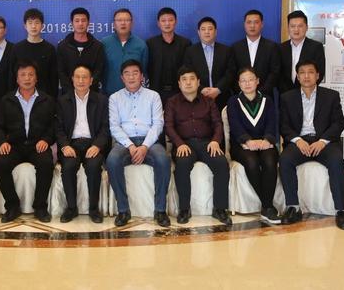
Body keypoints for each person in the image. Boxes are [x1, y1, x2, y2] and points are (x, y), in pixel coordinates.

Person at [279, 60, 344, 230]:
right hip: (300, 141)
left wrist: (322, 141)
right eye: (302, 72)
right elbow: (283, 125)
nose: (306, 76)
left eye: (310, 72)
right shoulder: (287, 97)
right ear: (297, 77)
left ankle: (341, 210)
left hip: (324, 142)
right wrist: (297, 140)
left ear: (318, 75)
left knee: (337, 162)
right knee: (285, 160)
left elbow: (338, 123)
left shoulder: (331, 96)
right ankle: (293, 207)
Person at [106, 59, 170, 227]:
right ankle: (123, 210)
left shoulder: (153, 96)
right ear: (122, 78)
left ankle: (160, 210)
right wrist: (131, 146)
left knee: (163, 159)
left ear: (142, 76)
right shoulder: (114, 98)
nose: (131, 77)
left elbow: (158, 124)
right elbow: (114, 127)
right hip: (124, 143)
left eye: (135, 73)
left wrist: (144, 146)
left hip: (149, 141)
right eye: (127, 74)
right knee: (112, 161)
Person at [164, 66, 232, 225]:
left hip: (207, 143)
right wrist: (179, 144)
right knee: (182, 164)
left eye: (192, 79)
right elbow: (168, 126)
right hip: (184, 144)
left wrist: (215, 141)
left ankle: (220, 209)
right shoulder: (172, 102)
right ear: (179, 83)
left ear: (198, 82)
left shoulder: (208, 101)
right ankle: (184, 209)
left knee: (221, 163)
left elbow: (217, 123)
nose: (188, 83)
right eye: (184, 79)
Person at [0, 60, 56, 223]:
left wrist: (46, 140)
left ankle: (40, 207)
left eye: (30, 75)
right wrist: (2, 142)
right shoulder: (6, 100)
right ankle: (12, 206)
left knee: (46, 163)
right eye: (23, 75)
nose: (27, 78)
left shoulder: (47, 100)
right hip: (14, 145)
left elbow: (53, 126)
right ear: (17, 79)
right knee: (0, 164)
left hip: (37, 145)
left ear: (36, 78)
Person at [226, 67, 280, 224]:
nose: (247, 83)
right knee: (252, 162)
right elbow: (235, 126)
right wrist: (248, 141)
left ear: (257, 81)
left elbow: (272, 123)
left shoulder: (267, 101)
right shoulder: (233, 101)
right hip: (241, 145)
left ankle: (266, 207)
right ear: (239, 84)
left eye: (250, 80)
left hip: (264, 143)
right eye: (243, 81)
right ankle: (268, 206)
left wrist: (267, 140)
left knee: (270, 160)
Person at [56, 65, 109, 223]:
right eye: (77, 77)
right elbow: (58, 128)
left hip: (93, 143)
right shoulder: (62, 100)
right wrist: (65, 145)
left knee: (94, 166)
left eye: (85, 77)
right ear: (72, 79)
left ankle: (93, 209)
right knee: (68, 166)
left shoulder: (101, 100)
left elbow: (106, 127)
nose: (81, 80)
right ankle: (71, 208)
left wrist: (97, 145)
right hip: (71, 144)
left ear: (91, 80)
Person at [183, 16, 233, 111]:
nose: (207, 32)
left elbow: (230, 73)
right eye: (203, 29)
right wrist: (201, 89)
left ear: (215, 32)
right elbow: (188, 73)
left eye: (210, 29)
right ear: (198, 32)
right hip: (198, 96)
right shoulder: (190, 51)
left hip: (222, 97)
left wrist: (218, 89)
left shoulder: (226, 50)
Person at [146, 7, 192, 107]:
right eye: (163, 21)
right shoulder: (150, 43)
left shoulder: (185, 43)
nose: (167, 23)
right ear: (158, 23)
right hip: (156, 92)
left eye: (170, 20)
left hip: (179, 91)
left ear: (176, 22)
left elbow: (188, 68)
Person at [230, 10, 280, 98]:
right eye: (249, 22)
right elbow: (232, 72)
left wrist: (261, 92)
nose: (252, 26)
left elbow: (275, 72)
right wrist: (242, 91)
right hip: (241, 96)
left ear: (262, 24)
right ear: (244, 25)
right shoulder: (235, 47)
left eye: (256, 22)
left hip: (265, 96)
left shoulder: (272, 47)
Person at [9, 8, 58, 97]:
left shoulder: (49, 49)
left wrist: (52, 99)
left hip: (44, 97)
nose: (33, 26)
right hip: (21, 96)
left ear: (42, 26)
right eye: (30, 23)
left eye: (37, 23)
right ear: (25, 26)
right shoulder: (17, 48)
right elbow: (12, 76)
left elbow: (53, 77)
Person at [57, 7, 105, 93]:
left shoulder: (97, 46)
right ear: (72, 23)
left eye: (83, 20)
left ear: (88, 23)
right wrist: (72, 93)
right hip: (68, 95)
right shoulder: (62, 46)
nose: (80, 24)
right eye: (77, 21)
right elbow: (61, 72)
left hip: (92, 94)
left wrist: (86, 91)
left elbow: (98, 71)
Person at [101, 8, 148, 96]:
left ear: (132, 24)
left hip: (134, 95)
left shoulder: (141, 45)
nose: (123, 23)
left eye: (127, 20)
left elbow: (144, 71)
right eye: (119, 20)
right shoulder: (104, 43)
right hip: (108, 95)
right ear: (114, 24)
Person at [279, 10, 325, 93]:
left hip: (307, 93)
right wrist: (287, 94)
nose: (296, 29)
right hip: (285, 95)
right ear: (288, 28)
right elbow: (277, 74)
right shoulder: (281, 48)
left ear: (306, 27)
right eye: (292, 26)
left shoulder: (316, 47)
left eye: (300, 26)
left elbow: (320, 73)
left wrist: (305, 90)